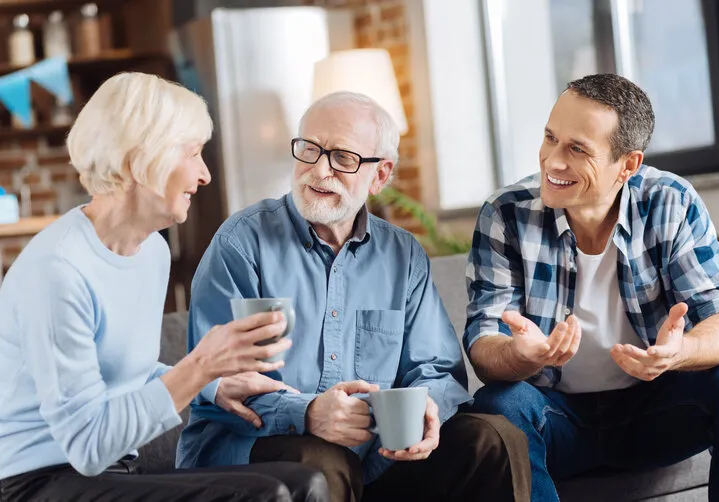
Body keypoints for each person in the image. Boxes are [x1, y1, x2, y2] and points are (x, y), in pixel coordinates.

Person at [176, 91, 531, 502]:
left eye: (342, 157)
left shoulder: (403, 254)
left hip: (373, 458)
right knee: (323, 463)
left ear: (380, 176)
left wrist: (427, 409)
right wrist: (308, 414)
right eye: (309, 150)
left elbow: (436, 370)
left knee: (493, 439)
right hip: (249, 451)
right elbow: (214, 379)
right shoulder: (242, 243)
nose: (319, 170)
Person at [0, 72, 328, 502]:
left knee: (306, 484)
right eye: (192, 153)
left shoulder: (150, 251)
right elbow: (88, 447)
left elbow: (122, 373)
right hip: (35, 482)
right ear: (141, 160)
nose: (205, 174)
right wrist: (200, 368)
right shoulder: (58, 271)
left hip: (110, 471)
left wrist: (214, 385)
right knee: (267, 496)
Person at [465, 73, 719, 501]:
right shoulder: (506, 213)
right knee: (498, 408)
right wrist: (518, 354)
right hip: (554, 416)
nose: (552, 161)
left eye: (577, 149)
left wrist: (681, 353)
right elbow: (485, 344)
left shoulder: (669, 201)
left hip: (655, 412)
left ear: (628, 165)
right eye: (550, 138)